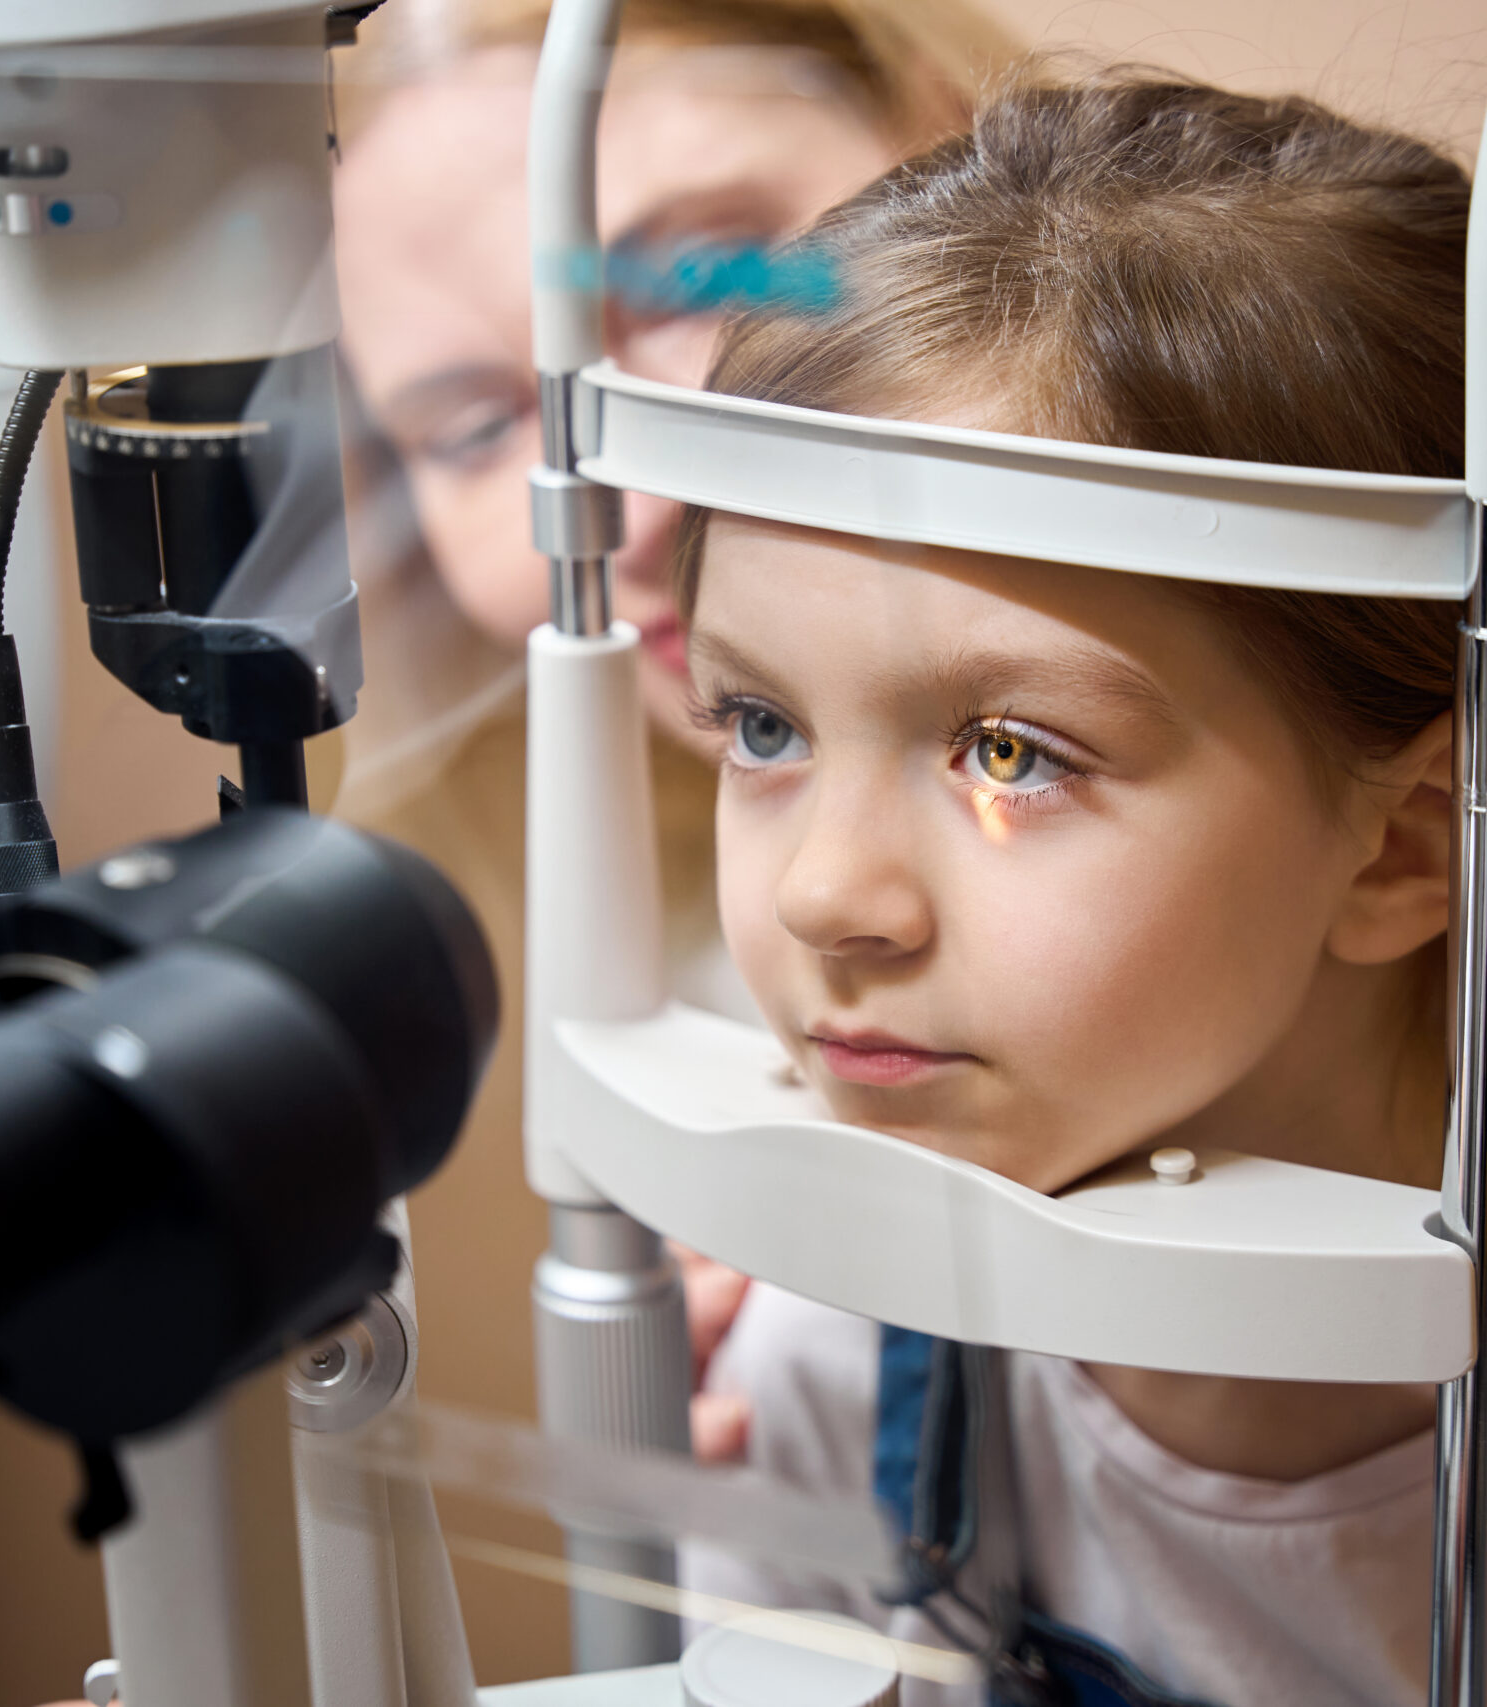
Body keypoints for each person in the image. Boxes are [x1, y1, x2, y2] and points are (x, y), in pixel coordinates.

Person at [673, 73, 1487, 1705]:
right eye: (762, 724)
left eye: (1009, 752)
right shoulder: (852, 1320)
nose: (827, 894)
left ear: (1407, 841)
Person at [326, 0, 1019, 1485]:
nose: (623, 511)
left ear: (954, 135)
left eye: (696, 279)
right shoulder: (703, 969)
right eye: (463, 432)